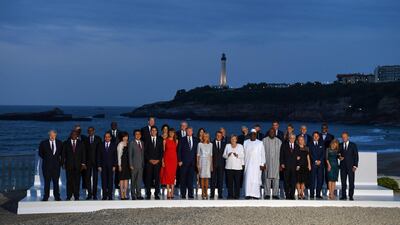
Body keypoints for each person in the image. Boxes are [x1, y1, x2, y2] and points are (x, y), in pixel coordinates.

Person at [39, 130, 63, 201]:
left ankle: (57, 196)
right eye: (51, 135)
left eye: (53, 135)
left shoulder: (59, 143)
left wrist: (60, 163)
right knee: (47, 182)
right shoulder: (43, 143)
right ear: (49, 135)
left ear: (56, 135)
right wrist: (47, 159)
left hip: (56, 166)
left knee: (56, 182)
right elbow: (40, 153)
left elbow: (62, 153)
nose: (52, 137)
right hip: (46, 166)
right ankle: (46, 196)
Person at [63, 131, 86, 200]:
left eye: (75, 134)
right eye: (72, 134)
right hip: (68, 165)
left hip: (78, 166)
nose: (74, 135)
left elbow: (83, 154)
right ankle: (69, 196)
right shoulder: (66, 143)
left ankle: (76, 196)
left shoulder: (81, 143)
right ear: (70, 135)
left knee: (77, 181)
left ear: (77, 135)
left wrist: (83, 164)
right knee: (69, 181)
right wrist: (63, 163)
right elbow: (63, 154)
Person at [243, 129, 266, 199]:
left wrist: (262, 164)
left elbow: (263, 154)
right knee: (248, 179)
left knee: (256, 179)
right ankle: (248, 194)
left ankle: (256, 195)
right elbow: (243, 153)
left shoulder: (260, 143)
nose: (253, 135)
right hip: (248, 164)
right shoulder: (245, 142)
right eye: (252, 134)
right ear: (250, 135)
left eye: (254, 134)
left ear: (256, 135)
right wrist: (243, 163)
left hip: (257, 165)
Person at [178, 127, 199, 199]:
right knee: (183, 179)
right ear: (186, 131)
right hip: (183, 162)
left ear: (192, 132)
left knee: (190, 179)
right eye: (188, 131)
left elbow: (197, 152)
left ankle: (190, 194)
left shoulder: (196, 140)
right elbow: (179, 151)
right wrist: (179, 160)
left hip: (192, 163)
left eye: (190, 131)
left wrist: (197, 163)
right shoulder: (182, 139)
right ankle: (183, 194)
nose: (189, 132)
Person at [144, 126, 163, 200]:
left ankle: (156, 194)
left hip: (157, 163)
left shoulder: (160, 140)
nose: (154, 132)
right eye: (152, 130)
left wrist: (158, 160)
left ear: (157, 132)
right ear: (150, 132)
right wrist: (150, 160)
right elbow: (145, 152)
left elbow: (161, 152)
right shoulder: (147, 140)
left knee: (157, 179)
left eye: (155, 130)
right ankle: (148, 194)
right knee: (148, 179)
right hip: (149, 162)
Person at [262, 128, 282, 200]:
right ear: (268, 132)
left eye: (273, 132)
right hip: (267, 162)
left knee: (276, 179)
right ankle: (267, 194)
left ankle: (275, 194)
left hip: (277, 163)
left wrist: (281, 164)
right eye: (270, 132)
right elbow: (261, 153)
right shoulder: (264, 140)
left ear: (275, 133)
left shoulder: (279, 141)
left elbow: (281, 154)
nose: (272, 133)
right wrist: (262, 163)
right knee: (267, 178)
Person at [223, 135, 244, 199]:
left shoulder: (240, 146)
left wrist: (237, 155)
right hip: (229, 167)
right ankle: (230, 195)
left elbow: (243, 155)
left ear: (236, 140)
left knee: (237, 182)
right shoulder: (227, 146)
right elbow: (223, 155)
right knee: (229, 182)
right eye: (232, 139)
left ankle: (237, 195)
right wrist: (227, 155)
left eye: (234, 139)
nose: (233, 140)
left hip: (238, 167)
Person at [339, 132, 359, 201]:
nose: (344, 138)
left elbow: (356, 156)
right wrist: (339, 157)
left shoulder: (353, 145)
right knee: (343, 182)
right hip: (343, 167)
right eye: (342, 137)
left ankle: (351, 196)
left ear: (348, 137)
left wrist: (355, 166)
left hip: (351, 167)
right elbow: (338, 154)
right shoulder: (340, 145)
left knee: (351, 182)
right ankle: (344, 196)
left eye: (345, 137)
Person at [98, 132, 117, 200]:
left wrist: (114, 165)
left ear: (110, 138)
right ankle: (104, 196)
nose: (107, 138)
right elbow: (99, 156)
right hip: (103, 166)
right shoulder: (101, 144)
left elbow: (115, 156)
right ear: (104, 137)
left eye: (108, 137)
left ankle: (110, 195)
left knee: (110, 181)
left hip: (111, 166)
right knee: (104, 181)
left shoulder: (113, 145)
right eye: (106, 137)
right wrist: (99, 165)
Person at [160, 128, 178, 199]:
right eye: (170, 132)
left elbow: (176, 151)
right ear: (168, 133)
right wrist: (162, 161)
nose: (171, 134)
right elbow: (163, 152)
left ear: (174, 134)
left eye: (172, 133)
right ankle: (168, 192)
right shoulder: (165, 141)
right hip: (167, 159)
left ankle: (172, 191)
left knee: (173, 176)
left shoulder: (176, 141)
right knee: (167, 175)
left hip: (174, 160)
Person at [84, 126, 102, 200]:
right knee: (87, 178)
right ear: (88, 132)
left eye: (91, 130)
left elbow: (100, 151)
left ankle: (94, 195)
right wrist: (83, 163)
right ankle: (89, 195)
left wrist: (100, 163)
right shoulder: (85, 140)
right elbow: (84, 152)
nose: (90, 132)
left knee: (95, 179)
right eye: (89, 131)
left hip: (96, 162)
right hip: (88, 162)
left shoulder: (98, 139)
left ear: (94, 131)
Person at [280, 134, 298, 200]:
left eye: (293, 138)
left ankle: (292, 195)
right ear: (289, 138)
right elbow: (281, 155)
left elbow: (298, 157)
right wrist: (282, 163)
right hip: (286, 166)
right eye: (290, 138)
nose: (292, 139)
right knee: (286, 181)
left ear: (295, 139)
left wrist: (298, 165)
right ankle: (287, 194)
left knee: (293, 182)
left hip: (294, 167)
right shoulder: (284, 145)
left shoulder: (297, 146)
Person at [128, 129, 145, 200]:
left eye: (139, 134)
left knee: (139, 181)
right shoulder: (131, 143)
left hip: (141, 165)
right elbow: (130, 155)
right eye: (136, 134)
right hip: (134, 165)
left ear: (140, 135)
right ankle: (133, 195)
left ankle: (139, 194)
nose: (138, 135)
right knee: (133, 181)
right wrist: (131, 164)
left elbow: (143, 154)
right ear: (134, 135)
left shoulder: (142, 143)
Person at [309, 132, 325, 199]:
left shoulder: (322, 144)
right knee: (312, 179)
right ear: (313, 136)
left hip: (320, 164)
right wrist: (315, 160)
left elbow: (323, 153)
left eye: (317, 136)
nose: (315, 137)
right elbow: (310, 154)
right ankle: (312, 194)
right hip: (313, 164)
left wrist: (320, 160)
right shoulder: (310, 144)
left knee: (320, 179)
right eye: (314, 136)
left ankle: (318, 194)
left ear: (319, 137)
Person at [197, 133, 213, 199]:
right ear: (202, 137)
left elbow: (211, 155)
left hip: (208, 162)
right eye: (204, 136)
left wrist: (211, 165)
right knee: (202, 178)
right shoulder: (200, 144)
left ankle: (206, 192)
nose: (206, 137)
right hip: (202, 161)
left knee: (207, 178)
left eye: (207, 136)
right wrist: (197, 164)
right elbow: (198, 155)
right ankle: (203, 193)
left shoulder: (211, 144)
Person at [211, 131, 226, 199]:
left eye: (220, 135)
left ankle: (220, 194)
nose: (218, 136)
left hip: (221, 165)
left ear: (222, 136)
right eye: (217, 135)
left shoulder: (224, 144)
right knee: (213, 180)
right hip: (213, 165)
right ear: (215, 136)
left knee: (220, 180)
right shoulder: (211, 144)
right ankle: (212, 194)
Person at [117, 132, 130, 200]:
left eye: (126, 136)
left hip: (127, 164)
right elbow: (119, 156)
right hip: (122, 163)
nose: (125, 138)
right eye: (124, 136)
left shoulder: (128, 143)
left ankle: (125, 194)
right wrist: (119, 165)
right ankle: (122, 194)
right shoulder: (120, 144)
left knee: (126, 179)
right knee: (121, 180)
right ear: (122, 137)